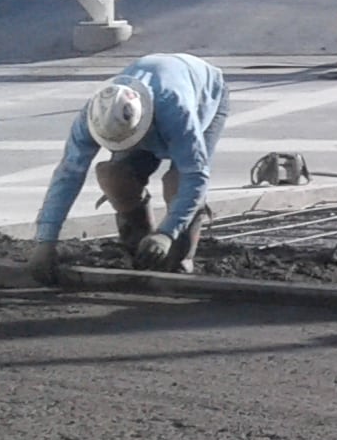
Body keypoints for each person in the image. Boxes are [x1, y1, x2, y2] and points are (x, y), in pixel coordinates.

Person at [26, 53, 229, 282]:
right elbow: (68, 174)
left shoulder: (175, 110)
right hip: (155, 100)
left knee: (178, 183)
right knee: (115, 178)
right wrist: (46, 240)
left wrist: (166, 233)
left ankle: (181, 259)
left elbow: (195, 175)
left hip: (204, 92)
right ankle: (141, 249)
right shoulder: (94, 115)